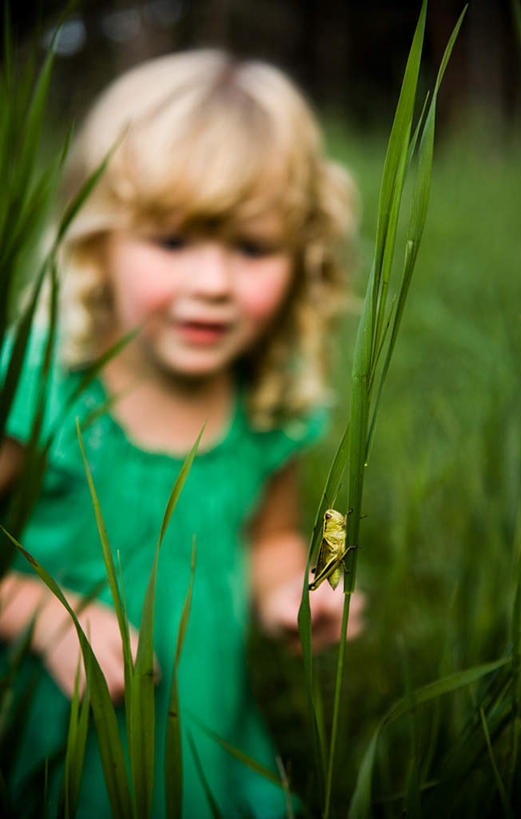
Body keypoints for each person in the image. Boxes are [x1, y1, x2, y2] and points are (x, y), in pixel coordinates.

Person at [0, 50, 364, 817]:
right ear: (99, 242)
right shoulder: (38, 390)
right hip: (54, 744)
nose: (213, 283)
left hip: (206, 737)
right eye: (172, 242)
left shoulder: (267, 405)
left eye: (252, 248)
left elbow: (272, 536)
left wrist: (301, 590)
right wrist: (42, 614)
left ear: (302, 259)